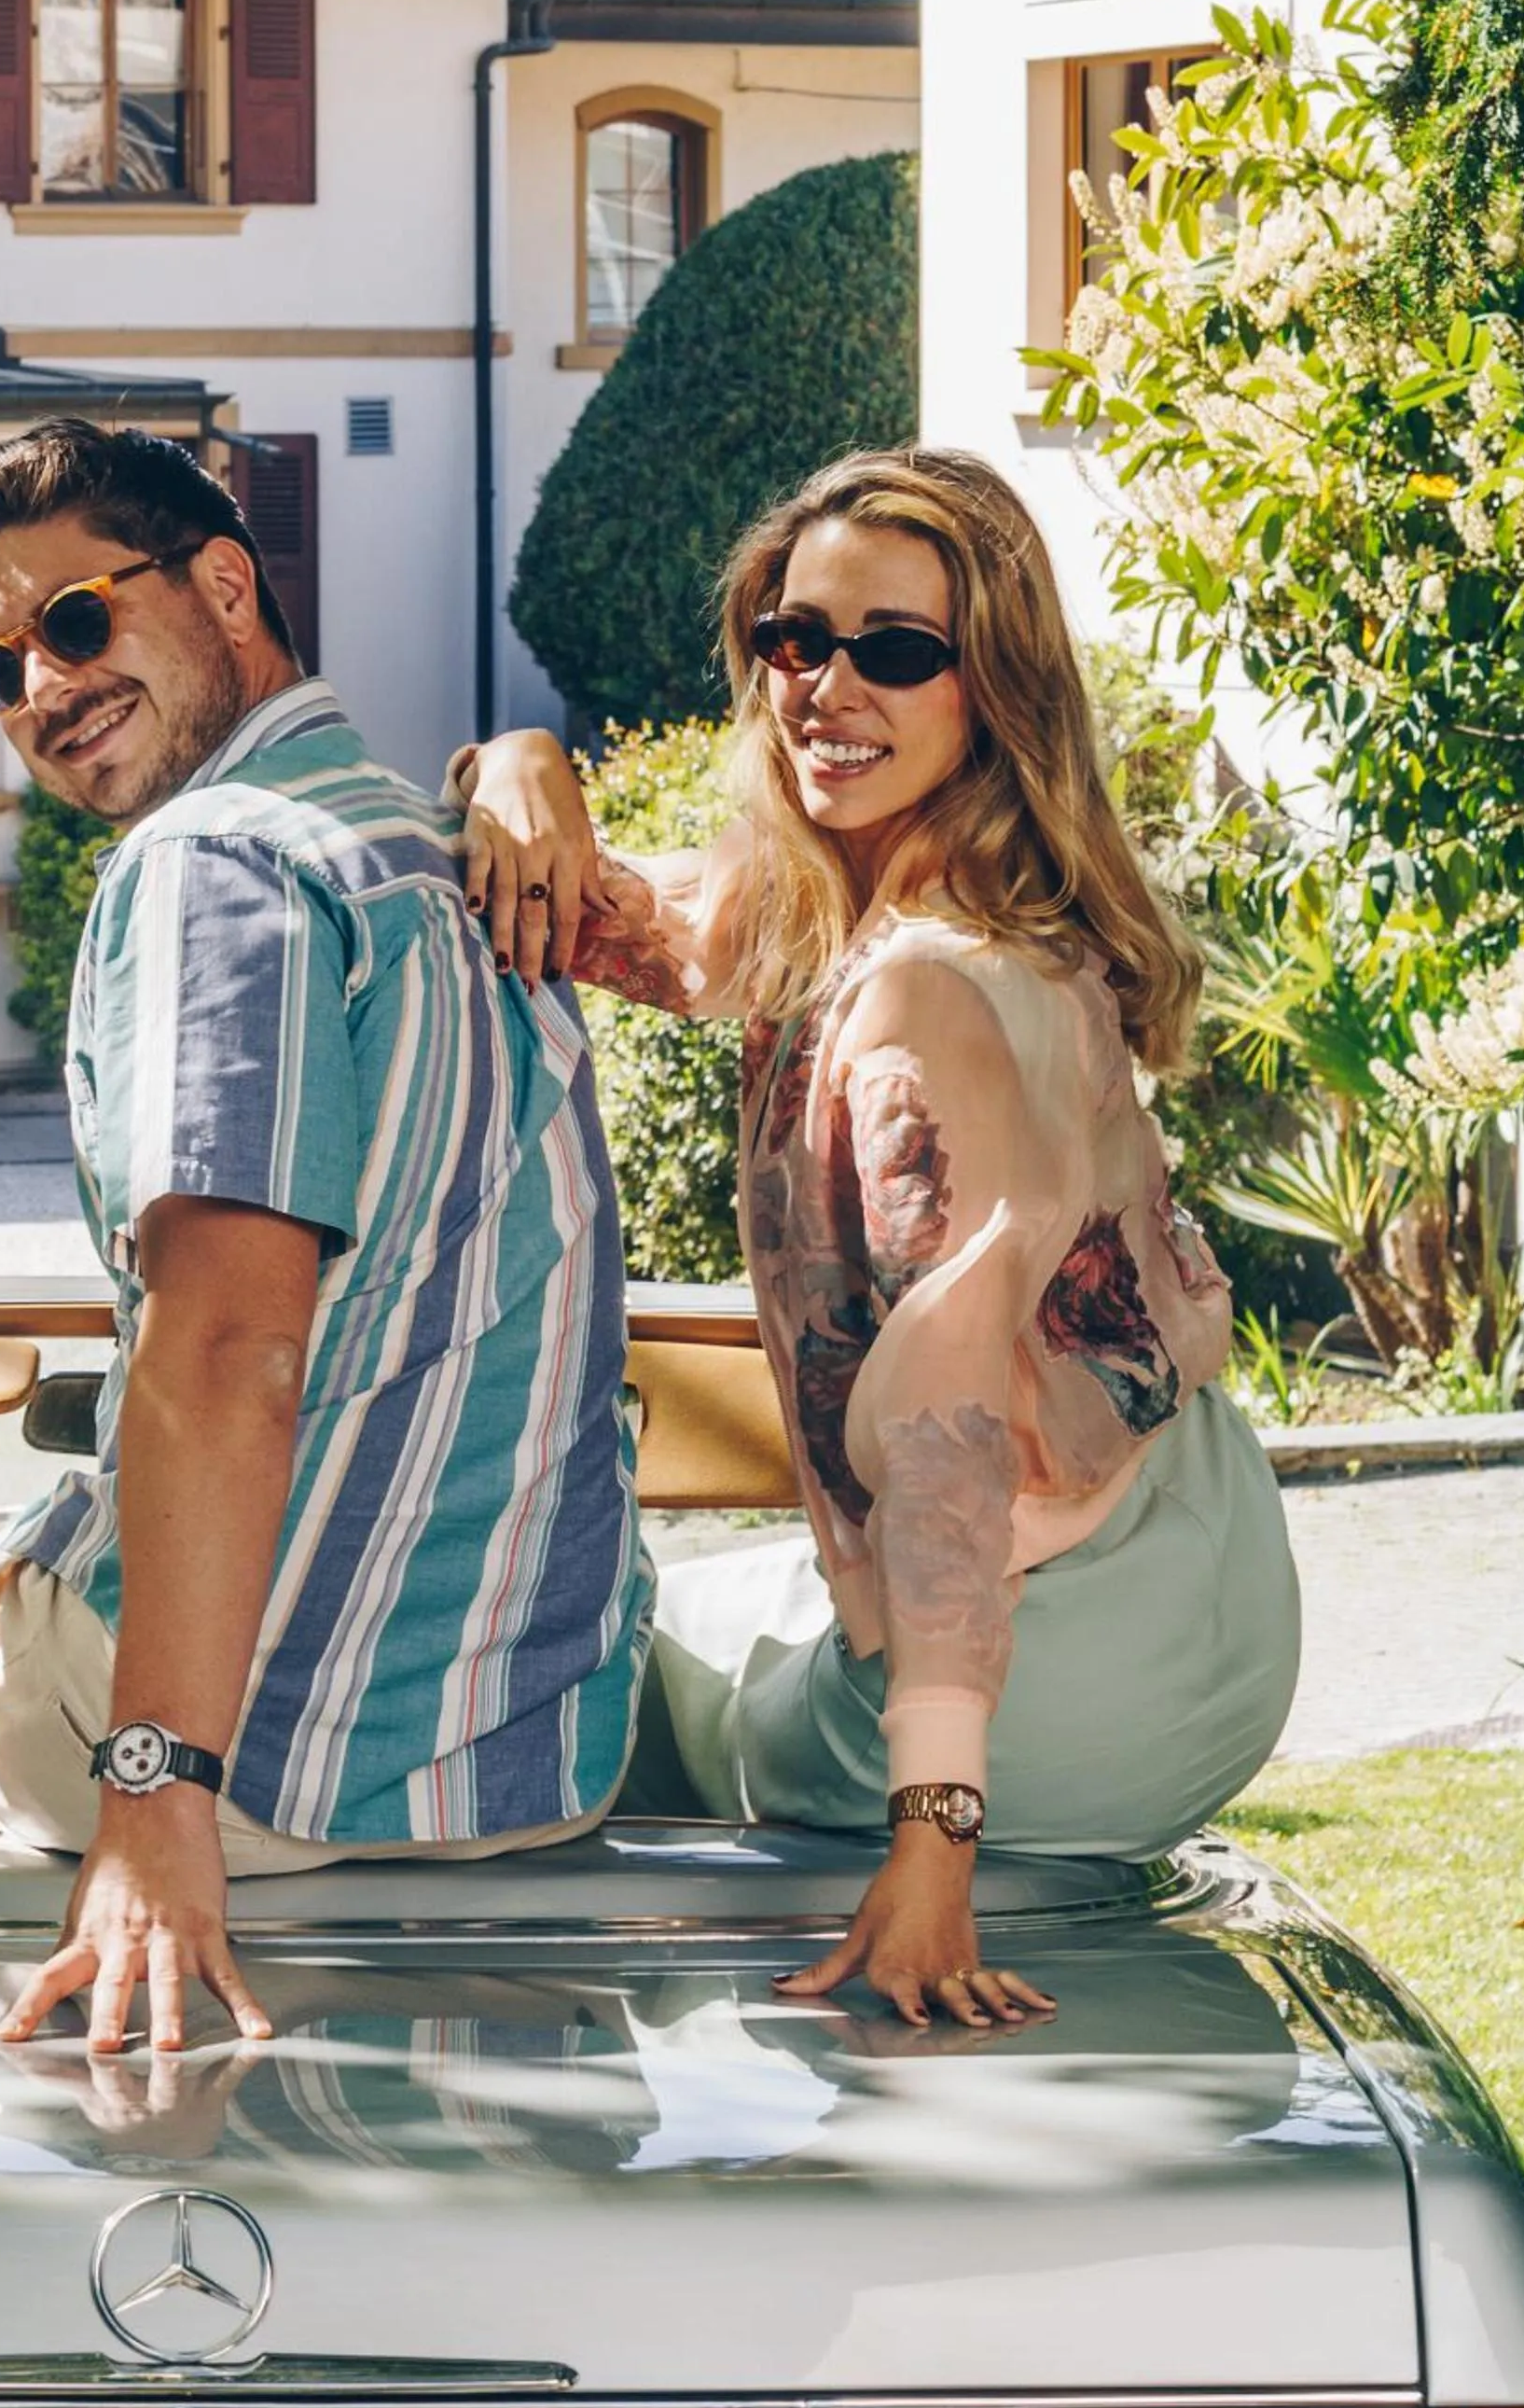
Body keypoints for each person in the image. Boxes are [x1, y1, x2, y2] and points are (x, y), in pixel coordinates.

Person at [454, 444, 1299, 2029]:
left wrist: (933, 1848)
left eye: (896, 651)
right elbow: (608, 917)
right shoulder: (913, 917)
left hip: (1065, 1671)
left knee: (574, 1659)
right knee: (698, 1607)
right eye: (794, 638)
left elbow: (952, 1431)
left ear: (993, 690)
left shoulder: (915, 995)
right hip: (1195, 1555)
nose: (826, 687)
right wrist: (512, 761)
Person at [0, 420, 651, 2057]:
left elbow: (230, 1346)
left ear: (225, 582)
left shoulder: (210, 863)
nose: (41, 690)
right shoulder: (455, 859)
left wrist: (155, 1795)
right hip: (521, 1761)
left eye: (75, 622)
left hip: (268, 1778)